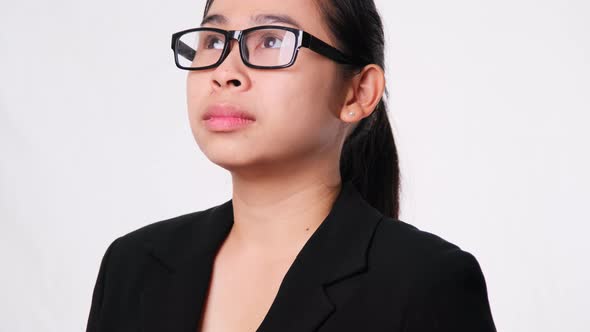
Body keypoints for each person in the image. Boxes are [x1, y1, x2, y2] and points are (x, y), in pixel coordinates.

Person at [85, 0, 497, 331]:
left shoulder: (426, 282)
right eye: (213, 41)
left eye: (272, 41)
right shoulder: (133, 265)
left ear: (357, 93)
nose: (225, 72)